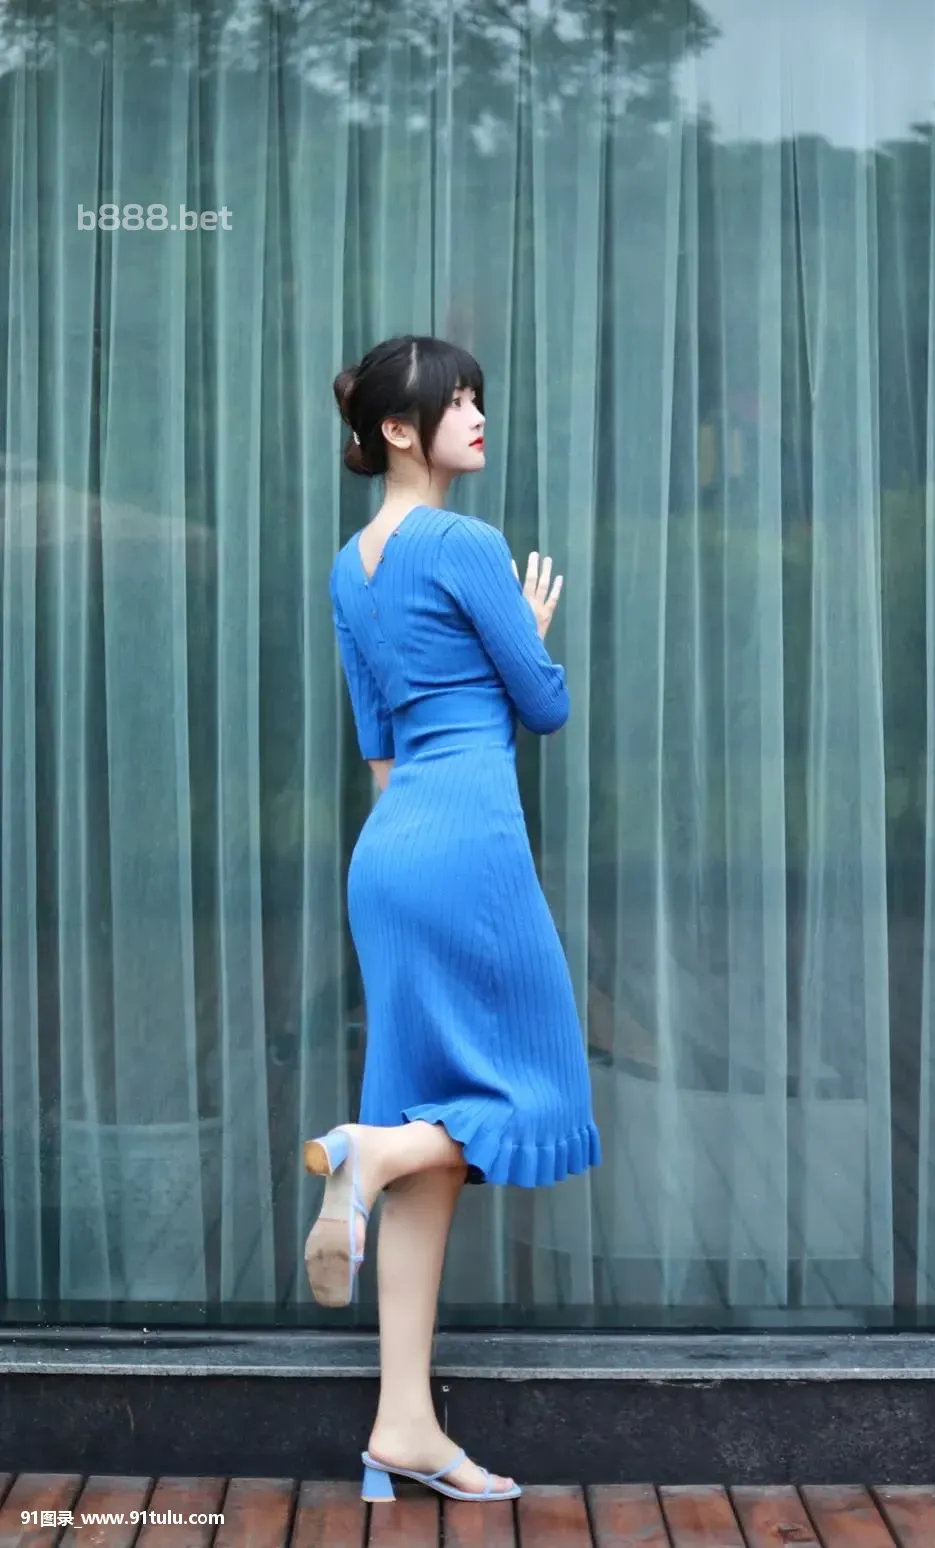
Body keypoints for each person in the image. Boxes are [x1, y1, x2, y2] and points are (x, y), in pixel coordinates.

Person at [303, 335, 601, 1505]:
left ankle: (402, 1426)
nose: (477, 413)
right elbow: (545, 705)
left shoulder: (350, 566)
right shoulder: (468, 545)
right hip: (470, 840)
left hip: (389, 857)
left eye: (478, 395)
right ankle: (370, 1156)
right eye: (455, 400)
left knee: (431, 1123)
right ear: (397, 429)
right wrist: (528, 631)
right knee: (539, 1090)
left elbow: (379, 749)